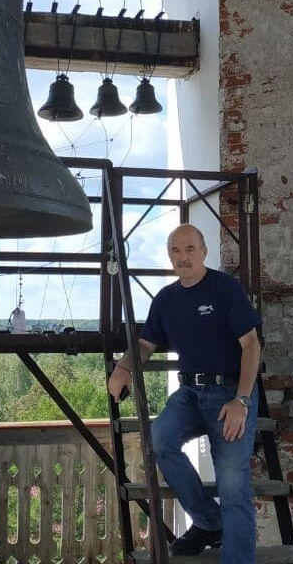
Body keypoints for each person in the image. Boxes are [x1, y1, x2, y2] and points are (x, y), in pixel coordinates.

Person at [107, 224, 262, 562]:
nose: (183, 257)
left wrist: (243, 400)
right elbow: (146, 344)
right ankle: (209, 520)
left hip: (231, 395)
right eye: (176, 251)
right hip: (191, 392)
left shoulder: (225, 288)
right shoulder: (166, 299)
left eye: (190, 249)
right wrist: (122, 368)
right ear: (169, 256)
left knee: (233, 487)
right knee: (159, 438)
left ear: (204, 252)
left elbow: (251, 344)